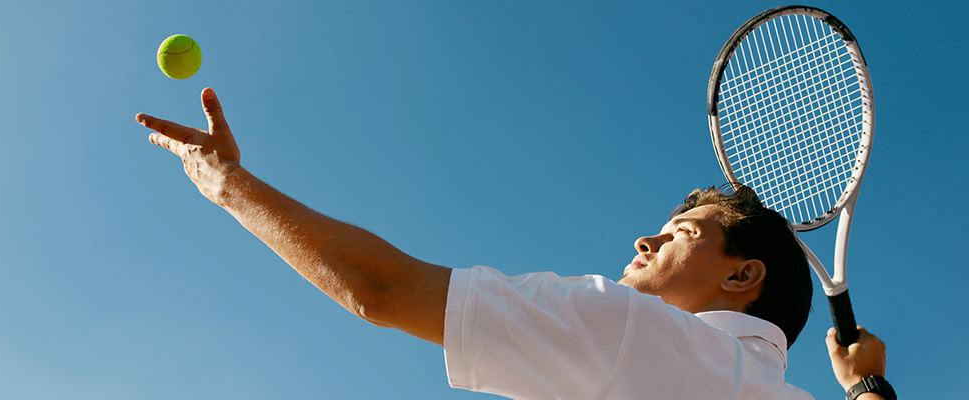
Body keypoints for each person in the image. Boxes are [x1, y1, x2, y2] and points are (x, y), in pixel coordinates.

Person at [136, 88, 892, 399]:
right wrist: (865, 388)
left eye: (681, 233)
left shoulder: (627, 333)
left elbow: (381, 290)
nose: (645, 236)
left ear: (743, 276)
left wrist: (226, 183)